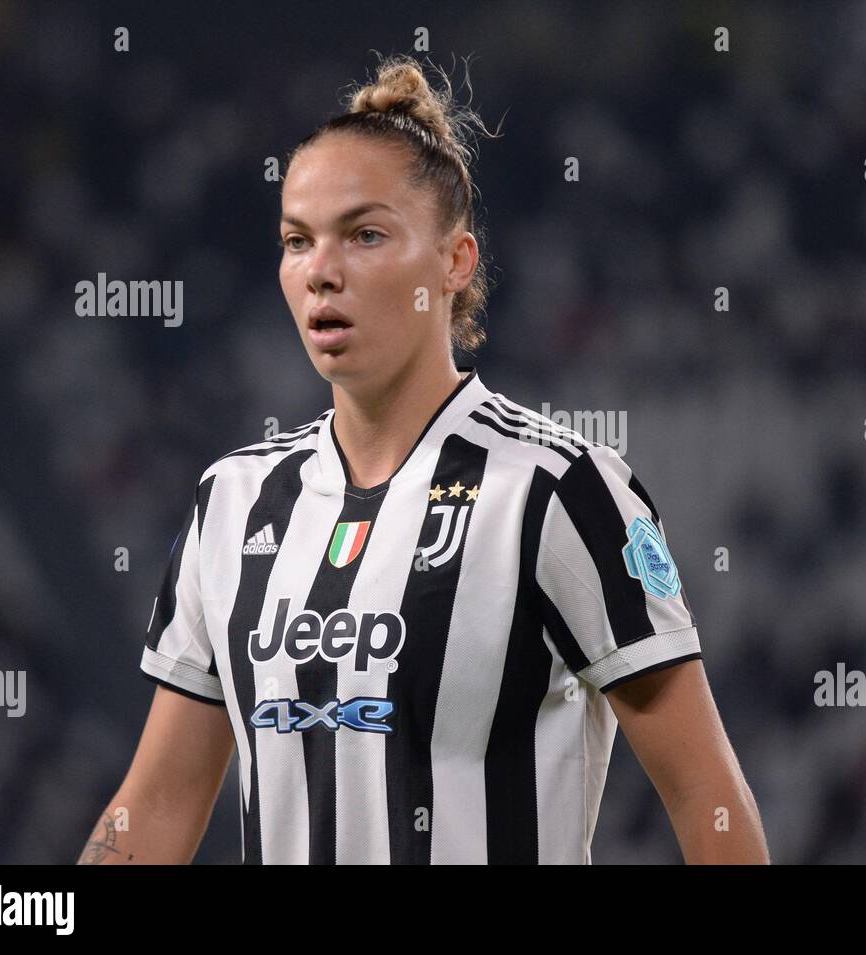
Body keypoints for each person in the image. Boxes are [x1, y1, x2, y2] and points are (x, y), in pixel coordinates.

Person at [79, 54, 768, 865]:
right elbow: (156, 806)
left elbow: (704, 792)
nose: (321, 272)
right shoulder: (233, 503)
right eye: (297, 241)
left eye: (365, 235)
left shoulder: (557, 491)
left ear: (455, 262)